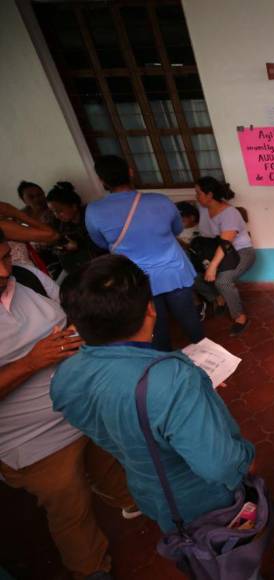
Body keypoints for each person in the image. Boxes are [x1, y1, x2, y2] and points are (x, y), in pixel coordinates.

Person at [50, 254, 255, 534]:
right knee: (228, 556)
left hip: (150, 493)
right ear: (151, 309)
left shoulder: (64, 377)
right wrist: (246, 455)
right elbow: (220, 468)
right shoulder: (172, 379)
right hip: (205, 502)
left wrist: (184, 400)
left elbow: (124, 420)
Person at [0, 229, 137, 580]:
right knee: (69, 506)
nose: (3, 273)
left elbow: (70, 313)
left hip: (83, 407)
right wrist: (29, 363)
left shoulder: (27, 276)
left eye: (3, 259)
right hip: (31, 439)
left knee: (110, 461)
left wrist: (80, 331)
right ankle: (91, 568)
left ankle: (131, 502)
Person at [85, 155, 203, 351]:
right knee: (189, 317)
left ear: (102, 180)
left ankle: (165, 367)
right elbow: (176, 229)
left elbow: (101, 242)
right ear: (130, 172)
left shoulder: (94, 210)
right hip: (173, 271)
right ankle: (209, 360)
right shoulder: (160, 201)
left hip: (136, 278)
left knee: (156, 326)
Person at [192, 177, 256, 335]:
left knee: (223, 281)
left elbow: (225, 243)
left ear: (209, 195)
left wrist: (212, 266)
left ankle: (240, 317)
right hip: (217, 251)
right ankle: (218, 299)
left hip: (241, 252)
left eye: (198, 193)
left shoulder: (229, 213)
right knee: (192, 277)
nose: (196, 196)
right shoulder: (202, 208)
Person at [46, 182, 105, 277]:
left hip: (101, 266)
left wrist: (79, 245)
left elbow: (104, 244)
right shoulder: (61, 225)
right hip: (79, 270)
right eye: (53, 212)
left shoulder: (91, 217)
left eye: (60, 211)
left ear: (74, 206)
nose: (56, 215)